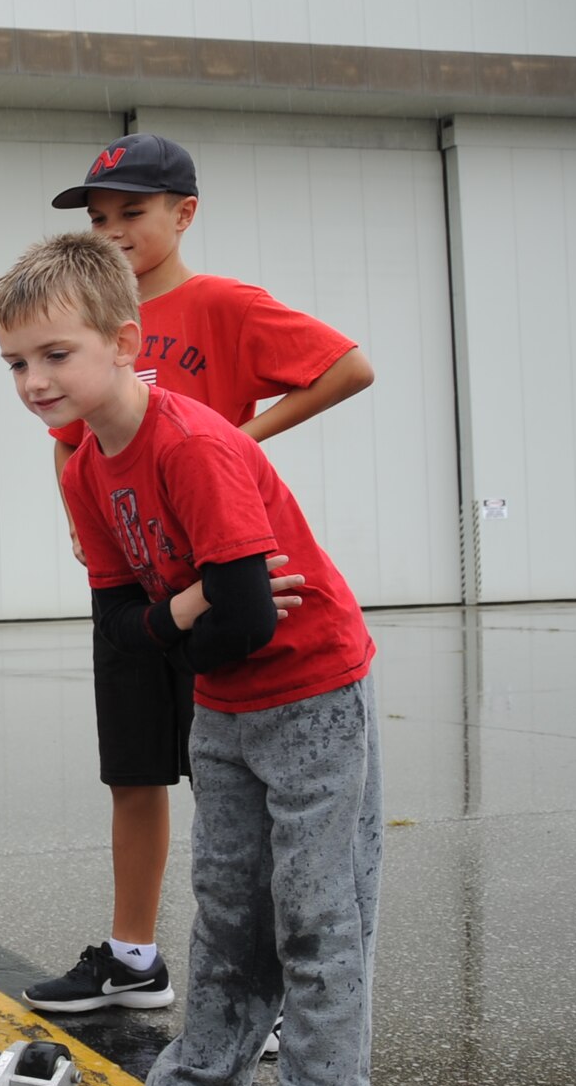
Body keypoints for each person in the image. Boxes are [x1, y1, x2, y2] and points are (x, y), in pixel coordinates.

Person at [0, 232, 379, 1086]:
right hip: (223, 705)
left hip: (306, 694)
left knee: (313, 920)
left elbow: (247, 620)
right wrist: (183, 609)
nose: (34, 380)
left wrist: (178, 616)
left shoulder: (195, 442)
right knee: (224, 921)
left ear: (124, 342)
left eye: (54, 354)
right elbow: (129, 626)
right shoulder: (83, 466)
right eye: (15, 363)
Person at [24, 134, 375, 1022]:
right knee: (135, 767)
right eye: (99, 220)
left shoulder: (219, 304)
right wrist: (82, 517)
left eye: (131, 214)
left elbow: (348, 366)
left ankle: (277, 998)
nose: (114, 233)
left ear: (183, 213)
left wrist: (238, 442)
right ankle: (135, 957)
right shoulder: (74, 321)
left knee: (249, 801)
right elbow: (76, 447)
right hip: (140, 566)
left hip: (222, 561)